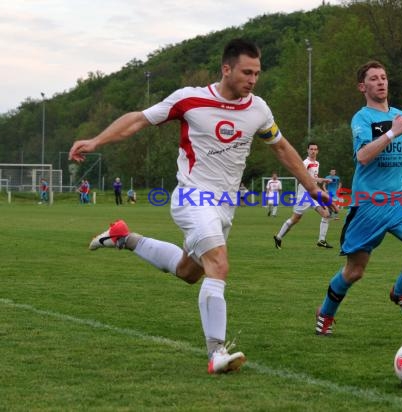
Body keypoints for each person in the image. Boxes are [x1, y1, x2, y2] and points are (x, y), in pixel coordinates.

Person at [68, 38, 331, 374]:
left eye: (257, 73)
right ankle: (217, 352)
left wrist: (311, 188)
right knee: (218, 265)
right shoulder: (189, 99)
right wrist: (95, 141)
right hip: (193, 197)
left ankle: (123, 238)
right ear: (226, 69)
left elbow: (281, 149)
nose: (253, 80)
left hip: (224, 206)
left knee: (188, 272)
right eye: (247, 72)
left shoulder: (259, 109)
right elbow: (138, 120)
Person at [314, 60, 402, 336]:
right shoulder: (362, 118)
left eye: (384, 77)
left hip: (398, 201)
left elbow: (401, 152)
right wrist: (392, 131)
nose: (381, 82)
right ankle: (325, 313)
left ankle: (400, 293)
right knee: (354, 272)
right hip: (369, 205)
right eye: (374, 78)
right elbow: (363, 156)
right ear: (362, 86)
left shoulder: (399, 114)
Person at [273, 142, 335, 249]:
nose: (313, 151)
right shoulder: (305, 163)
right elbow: (302, 177)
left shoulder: (317, 163)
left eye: (315, 149)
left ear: (318, 151)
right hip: (304, 195)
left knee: (326, 214)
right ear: (307, 150)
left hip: (313, 195)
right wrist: (321, 180)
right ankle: (278, 237)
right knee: (295, 219)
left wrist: (318, 184)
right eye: (311, 149)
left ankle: (321, 240)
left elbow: (313, 179)